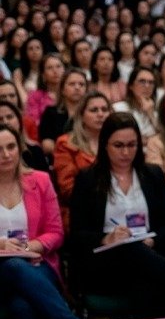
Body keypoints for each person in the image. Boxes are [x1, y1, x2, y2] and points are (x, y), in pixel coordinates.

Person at [69, 113, 165, 315]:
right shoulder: (88, 179)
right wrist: (106, 238)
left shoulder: (152, 175)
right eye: (118, 145)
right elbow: (77, 235)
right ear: (105, 145)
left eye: (132, 145)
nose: (126, 152)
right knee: (134, 255)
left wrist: (152, 240)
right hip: (104, 264)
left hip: (149, 257)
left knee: (144, 277)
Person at [0, 124, 82, 319]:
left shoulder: (40, 181)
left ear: (20, 148)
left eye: (11, 147)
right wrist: (3, 246)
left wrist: (28, 248)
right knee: (14, 265)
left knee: (23, 306)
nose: (6, 154)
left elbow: (56, 233)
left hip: (38, 263)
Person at [54, 91, 111, 226]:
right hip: (82, 213)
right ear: (81, 115)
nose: (100, 114)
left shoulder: (117, 143)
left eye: (104, 109)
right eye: (94, 110)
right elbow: (69, 190)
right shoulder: (66, 144)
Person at [39, 68, 88, 156]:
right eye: (72, 84)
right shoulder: (50, 112)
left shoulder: (91, 113)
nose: (77, 87)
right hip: (59, 159)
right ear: (62, 89)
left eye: (81, 84)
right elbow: (47, 144)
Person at [0, 101, 49, 172]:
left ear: (19, 120)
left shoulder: (35, 151)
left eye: (9, 117)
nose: (6, 122)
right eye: (0, 119)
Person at [113, 66, 158, 142]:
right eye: (142, 81)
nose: (147, 86)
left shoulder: (157, 114)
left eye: (151, 82)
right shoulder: (118, 108)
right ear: (131, 86)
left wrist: (150, 114)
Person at [24, 52, 65, 128]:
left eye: (58, 66)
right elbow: (33, 122)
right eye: (49, 68)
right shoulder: (34, 96)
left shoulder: (71, 94)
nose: (55, 71)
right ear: (43, 75)